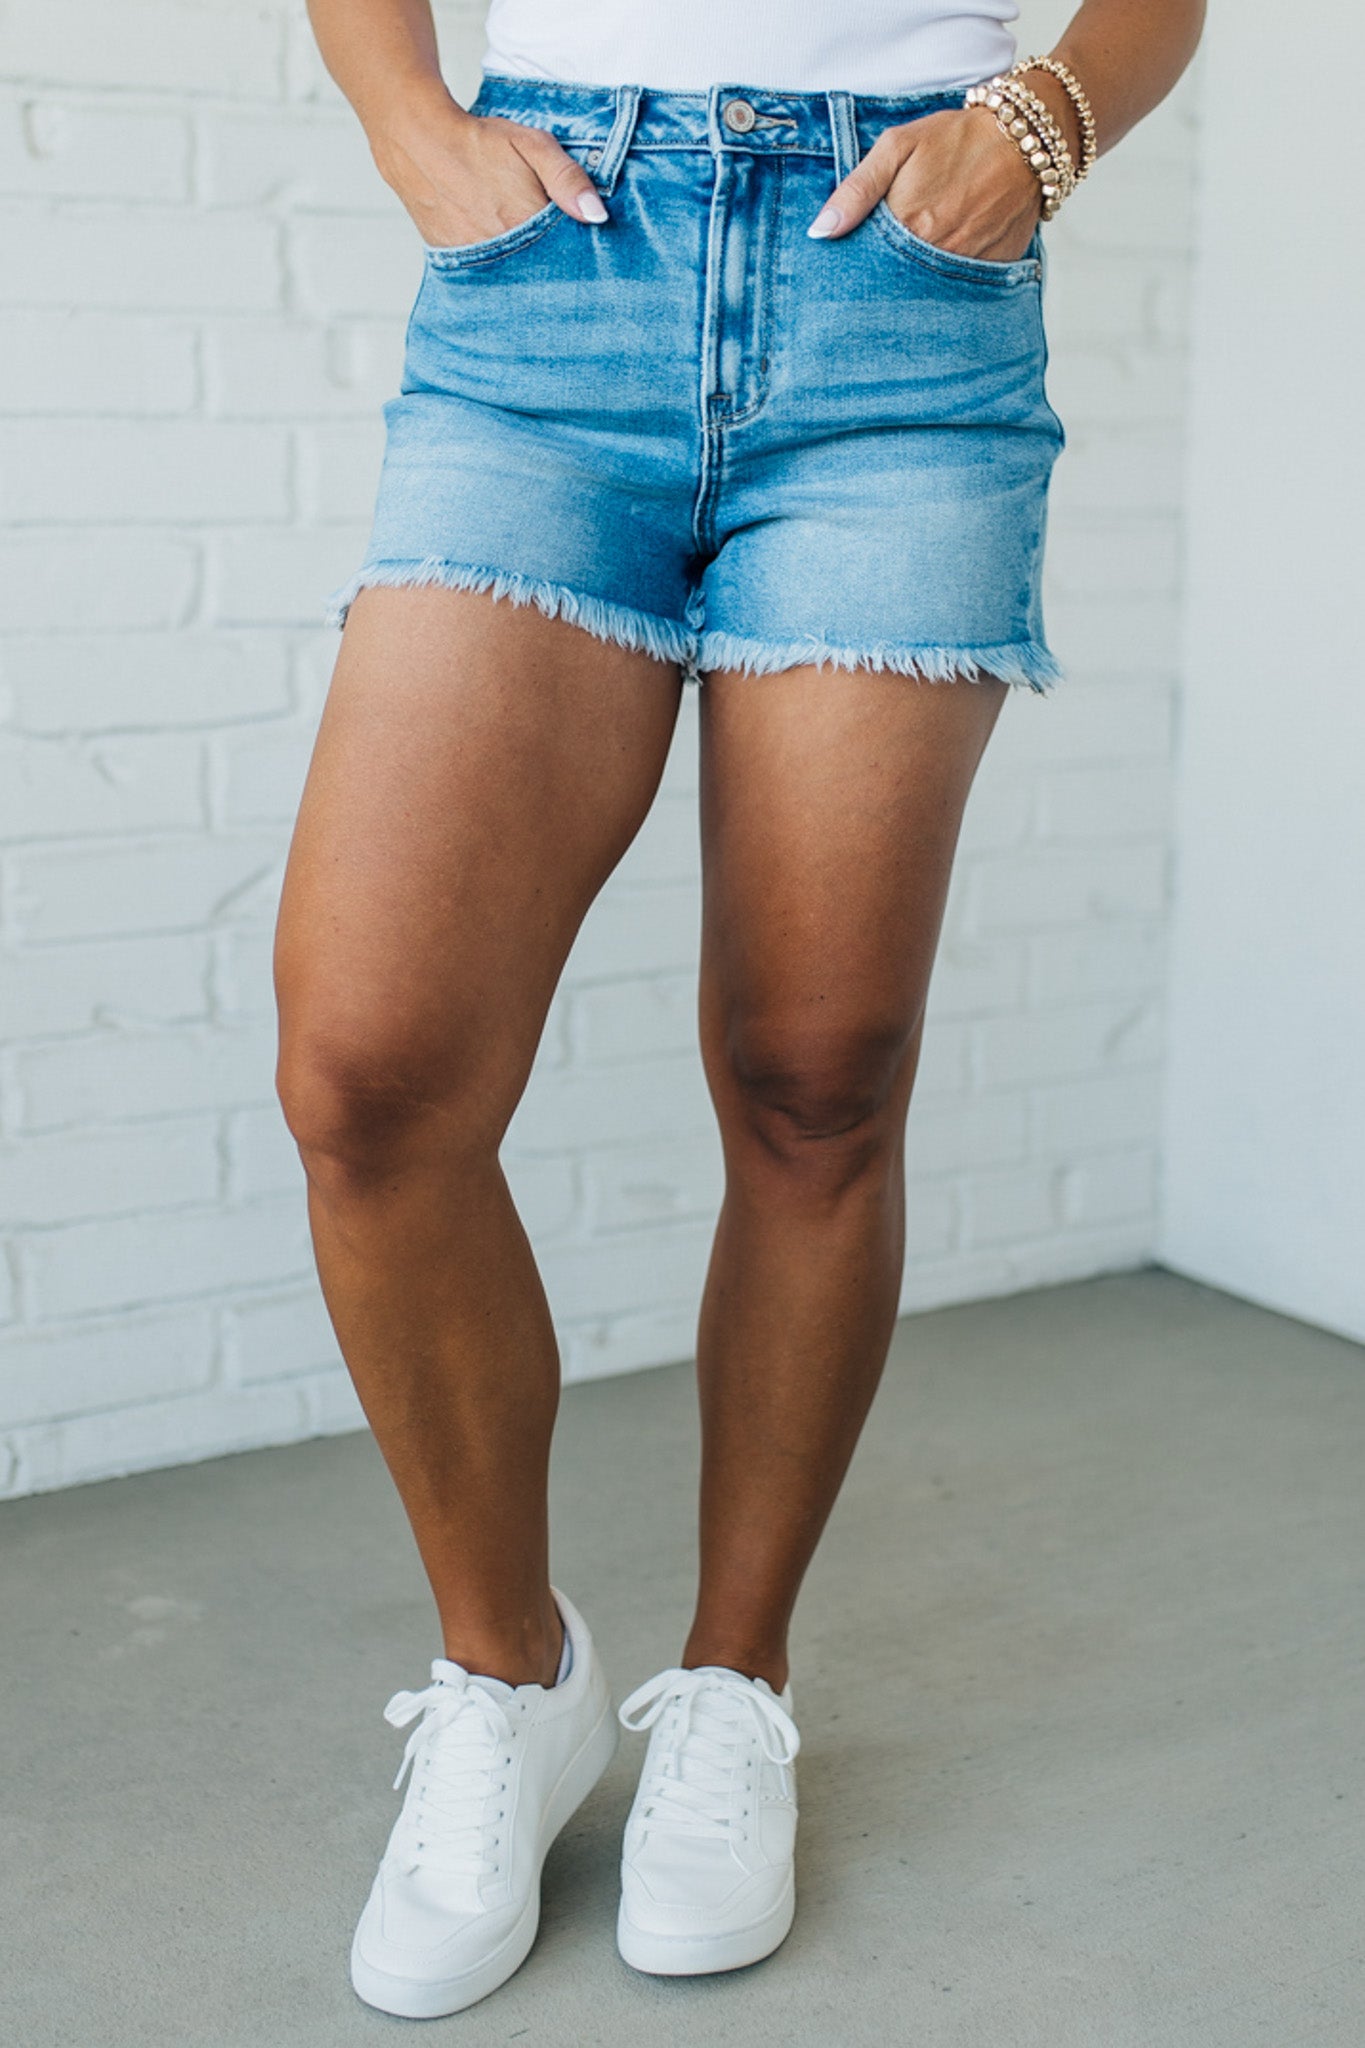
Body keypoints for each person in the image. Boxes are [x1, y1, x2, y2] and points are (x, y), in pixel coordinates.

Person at [275, 0, 1205, 2018]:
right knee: (369, 1072)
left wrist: (1036, 122)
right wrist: (398, 113)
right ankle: (507, 1677)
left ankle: (730, 1686)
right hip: (551, 279)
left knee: (811, 1080)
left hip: (903, 302)